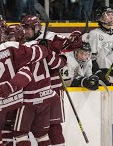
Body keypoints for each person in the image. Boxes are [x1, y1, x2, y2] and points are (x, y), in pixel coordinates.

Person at [20, 14, 82, 145]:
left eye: (28, 28)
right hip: (30, 92)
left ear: (37, 28)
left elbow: (71, 44)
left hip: (52, 87)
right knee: (27, 130)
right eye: (24, 28)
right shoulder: (21, 43)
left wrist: (75, 37)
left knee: (54, 125)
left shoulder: (50, 37)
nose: (25, 31)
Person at [87, 6, 113, 85]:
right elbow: (90, 57)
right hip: (102, 77)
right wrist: (98, 72)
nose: (111, 17)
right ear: (100, 18)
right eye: (107, 15)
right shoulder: (94, 34)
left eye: (112, 15)